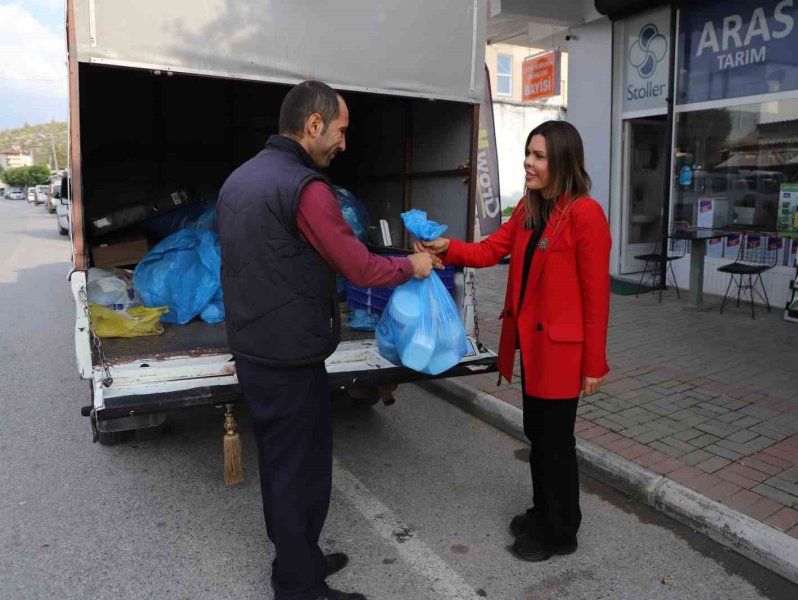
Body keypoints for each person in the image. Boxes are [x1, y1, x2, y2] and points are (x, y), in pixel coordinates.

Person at [217, 80, 435, 600]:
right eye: (340, 131)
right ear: (313, 126)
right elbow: (357, 265)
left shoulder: (239, 179)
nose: (343, 143)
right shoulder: (305, 188)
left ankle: (301, 557)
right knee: (300, 471)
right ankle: (300, 587)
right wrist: (413, 264)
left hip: (255, 347)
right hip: (289, 356)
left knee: (283, 464)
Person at [417, 120, 611, 562]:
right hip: (533, 345)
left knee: (556, 443)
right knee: (537, 434)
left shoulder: (585, 214)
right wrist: (447, 246)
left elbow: (597, 298)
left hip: (563, 352)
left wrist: (594, 364)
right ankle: (544, 512)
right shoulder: (529, 209)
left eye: (538, 155)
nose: (528, 161)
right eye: (528, 152)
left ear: (561, 161)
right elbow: (489, 250)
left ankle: (562, 532)